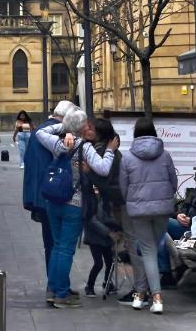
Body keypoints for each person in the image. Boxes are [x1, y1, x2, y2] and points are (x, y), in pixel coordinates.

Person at [36, 105, 119, 308]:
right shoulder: (85, 146)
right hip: (73, 203)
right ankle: (61, 294)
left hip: (53, 200)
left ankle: (54, 289)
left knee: (56, 246)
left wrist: (62, 129)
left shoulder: (58, 144)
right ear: (82, 127)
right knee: (65, 249)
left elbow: (40, 132)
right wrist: (109, 151)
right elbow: (103, 168)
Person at [119, 117, 178, 315]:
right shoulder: (166, 155)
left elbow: (123, 187)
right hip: (162, 209)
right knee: (152, 248)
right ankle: (144, 295)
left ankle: (152, 297)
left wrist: (133, 200)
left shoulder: (127, 157)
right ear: (154, 132)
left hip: (138, 211)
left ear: (135, 133)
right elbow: (173, 181)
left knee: (148, 251)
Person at [23, 100, 73, 281]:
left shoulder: (40, 130)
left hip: (39, 194)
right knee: (57, 245)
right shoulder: (58, 133)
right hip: (53, 195)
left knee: (51, 244)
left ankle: (56, 285)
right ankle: (56, 286)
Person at [82, 118, 122, 296]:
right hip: (103, 209)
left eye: (92, 129)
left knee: (107, 258)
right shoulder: (101, 150)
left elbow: (104, 178)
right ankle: (101, 284)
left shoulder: (102, 151)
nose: (88, 130)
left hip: (104, 204)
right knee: (102, 260)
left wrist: (90, 174)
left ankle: (106, 283)